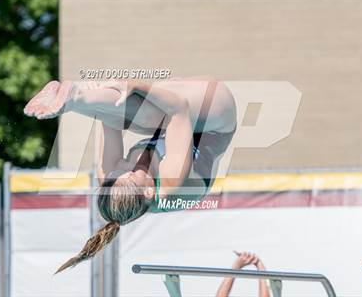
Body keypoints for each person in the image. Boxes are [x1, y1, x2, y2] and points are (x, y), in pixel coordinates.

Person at [24, 77, 237, 273]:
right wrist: (137, 85)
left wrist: (92, 97)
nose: (125, 166)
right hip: (216, 121)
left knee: (126, 108)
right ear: (147, 191)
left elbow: (109, 119)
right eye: (130, 173)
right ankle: (76, 97)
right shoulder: (170, 185)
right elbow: (180, 107)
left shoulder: (110, 180)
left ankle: (73, 96)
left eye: (117, 171)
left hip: (171, 121)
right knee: (147, 109)